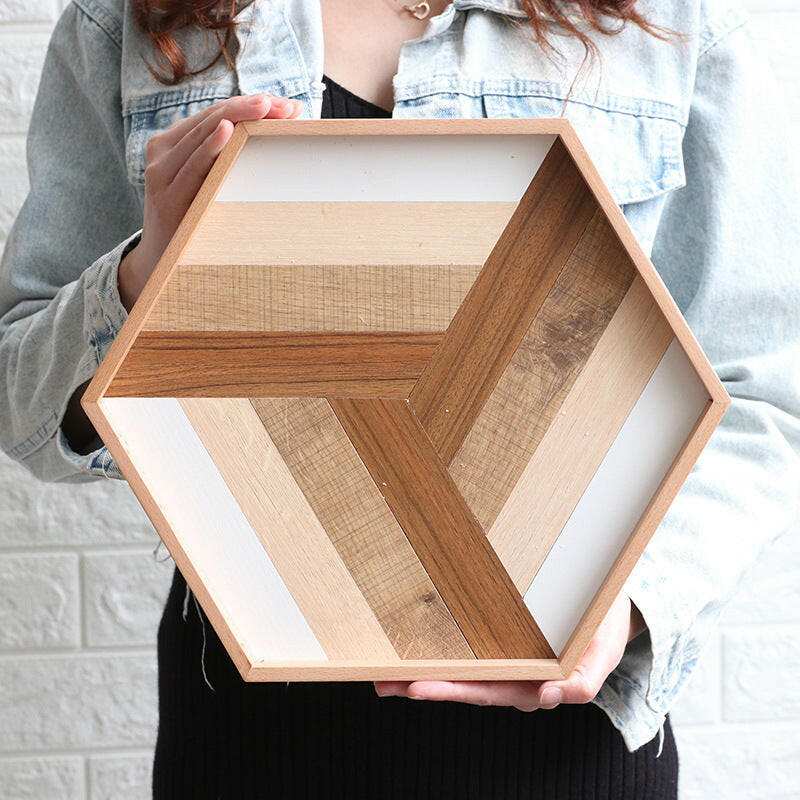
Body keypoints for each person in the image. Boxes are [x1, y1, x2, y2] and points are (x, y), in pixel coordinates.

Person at [1, 0, 797, 797]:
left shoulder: (685, 19)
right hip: (251, 741)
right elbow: (23, 404)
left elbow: (761, 394)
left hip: (566, 743)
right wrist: (142, 277)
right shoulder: (133, 20)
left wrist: (633, 602)